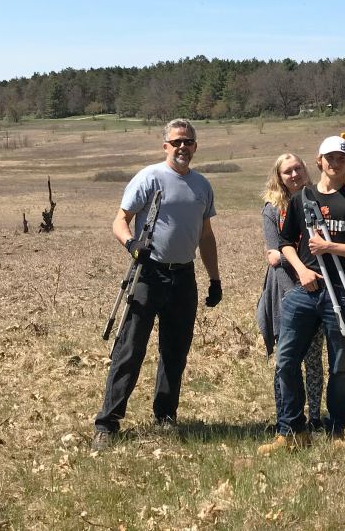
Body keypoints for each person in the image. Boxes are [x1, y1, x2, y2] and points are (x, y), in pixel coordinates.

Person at [92, 119, 221, 449]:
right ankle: (107, 424)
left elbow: (206, 236)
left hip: (185, 276)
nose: (182, 147)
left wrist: (215, 279)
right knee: (130, 349)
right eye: (176, 142)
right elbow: (120, 220)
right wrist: (131, 245)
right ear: (165, 146)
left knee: (175, 351)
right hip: (148, 274)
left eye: (188, 142)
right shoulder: (150, 177)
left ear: (195, 147)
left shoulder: (202, 186)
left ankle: (165, 417)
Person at [258, 136, 345, 453]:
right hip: (304, 290)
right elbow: (285, 242)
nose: (335, 163)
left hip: (341, 294)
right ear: (319, 161)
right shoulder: (302, 198)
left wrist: (331, 247)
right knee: (286, 361)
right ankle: (291, 431)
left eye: (341, 159)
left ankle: (337, 430)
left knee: (339, 366)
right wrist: (301, 270)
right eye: (330, 158)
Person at [256, 153, 325, 431]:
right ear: (279, 178)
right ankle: (284, 418)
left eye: (298, 168)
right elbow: (274, 257)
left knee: (314, 358)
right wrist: (302, 261)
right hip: (285, 291)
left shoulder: (318, 201)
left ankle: (316, 417)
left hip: (317, 288)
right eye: (287, 172)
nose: (294, 175)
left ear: (306, 170)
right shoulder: (273, 209)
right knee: (286, 359)